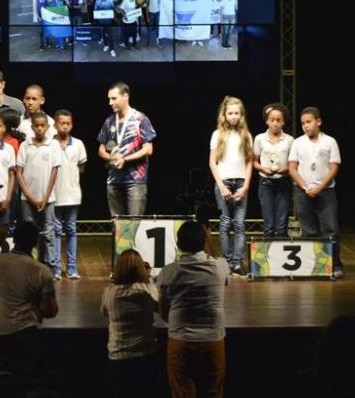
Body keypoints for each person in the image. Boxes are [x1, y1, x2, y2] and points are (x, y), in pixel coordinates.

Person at [157, 221, 230, 398]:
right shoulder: (220, 267)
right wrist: (208, 237)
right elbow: (216, 258)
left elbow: (163, 311)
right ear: (204, 242)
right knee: (214, 392)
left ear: (179, 243)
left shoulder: (169, 272)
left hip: (181, 340)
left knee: (182, 393)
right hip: (213, 339)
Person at [0, 221, 58, 379]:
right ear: (35, 243)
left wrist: (0, 239)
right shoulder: (42, 271)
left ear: (14, 239)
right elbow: (51, 311)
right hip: (25, 333)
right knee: (24, 380)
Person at [288, 107, 343, 277]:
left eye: (309, 122)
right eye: (303, 123)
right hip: (303, 192)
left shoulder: (330, 142)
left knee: (330, 229)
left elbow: (334, 167)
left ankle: (335, 265)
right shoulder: (297, 143)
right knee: (308, 230)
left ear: (318, 121)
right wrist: (305, 187)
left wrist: (320, 187)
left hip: (325, 192)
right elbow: (292, 168)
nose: (305, 126)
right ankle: (311, 266)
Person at [100, 249, 159, 398]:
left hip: (118, 357)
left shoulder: (109, 292)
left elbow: (104, 312)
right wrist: (148, 278)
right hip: (145, 355)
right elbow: (158, 305)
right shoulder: (147, 289)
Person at [97, 82, 156, 217]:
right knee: (117, 225)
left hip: (135, 181)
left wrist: (125, 159)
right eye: (109, 99)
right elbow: (101, 150)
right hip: (113, 181)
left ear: (125, 96)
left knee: (133, 225)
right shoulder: (109, 121)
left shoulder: (140, 119)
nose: (110, 103)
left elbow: (148, 149)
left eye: (114, 98)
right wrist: (112, 158)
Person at [209, 96, 253, 276]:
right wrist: (221, 186)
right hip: (224, 182)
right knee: (225, 223)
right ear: (224, 114)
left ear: (241, 115)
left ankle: (237, 263)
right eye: (230, 113)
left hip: (241, 182)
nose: (234, 116)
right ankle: (227, 263)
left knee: (240, 224)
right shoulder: (217, 134)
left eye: (237, 113)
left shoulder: (246, 135)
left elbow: (249, 162)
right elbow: (212, 162)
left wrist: (246, 186)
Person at [16, 112, 61, 277]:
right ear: (32, 127)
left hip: (47, 199)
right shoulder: (25, 145)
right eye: (37, 126)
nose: (40, 128)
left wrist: (46, 197)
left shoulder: (53, 145)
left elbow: (54, 171)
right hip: (27, 199)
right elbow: (19, 172)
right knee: (29, 233)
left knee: (49, 233)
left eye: (43, 126)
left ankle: (50, 267)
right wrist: (29, 196)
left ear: (48, 127)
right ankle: (31, 266)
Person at [52, 109, 87, 280]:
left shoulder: (78, 144)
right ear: (55, 125)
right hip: (54, 195)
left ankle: (72, 267)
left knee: (71, 230)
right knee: (56, 231)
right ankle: (56, 267)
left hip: (72, 195)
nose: (65, 126)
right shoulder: (50, 144)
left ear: (71, 125)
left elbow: (81, 168)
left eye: (68, 123)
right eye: (62, 123)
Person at [253, 103, 294, 238]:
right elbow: (254, 161)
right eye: (272, 120)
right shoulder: (260, 138)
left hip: (284, 182)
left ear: (283, 122)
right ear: (267, 121)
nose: (275, 123)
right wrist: (263, 168)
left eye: (278, 120)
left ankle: (282, 251)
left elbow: (294, 164)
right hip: (266, 183)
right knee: (269, 225)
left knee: (282, 226)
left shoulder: (289, 140)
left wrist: (286, 169)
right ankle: (268, 251)